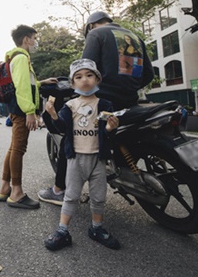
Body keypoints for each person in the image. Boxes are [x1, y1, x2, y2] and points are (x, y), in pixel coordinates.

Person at [39, 11, 154, 206]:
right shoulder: (135, 37)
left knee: (72, 135)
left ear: (91, 26)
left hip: (103, 100)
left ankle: (59, 190)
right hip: (131, 101)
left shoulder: (96, 34)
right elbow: (149, 74)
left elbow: (86, 69)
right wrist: (128, 88)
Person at [43, 58, 120, 251]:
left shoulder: (105, 105)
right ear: (73, 83)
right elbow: (60, 127)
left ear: (97, 79)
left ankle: (97, 228)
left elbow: (105, 134)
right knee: (70, 196)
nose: (84, 79)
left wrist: (110, 128)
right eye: (79, 76)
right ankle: (62, 231)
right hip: (75, 159)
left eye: (89, 75)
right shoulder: (70, 106)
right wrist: (52, 114)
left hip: (97, 159)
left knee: (98, 196)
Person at [0, 25, 57, 209]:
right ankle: (16, 193)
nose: (35, 41)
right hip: (22, 110)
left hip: (16, 108)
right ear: (26, 40)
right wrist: (30, 112)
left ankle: (5, 187)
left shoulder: (15, 57)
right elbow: (22, 86)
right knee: (19, 149)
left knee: (14, 147)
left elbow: (25, 83)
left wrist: (41, 82)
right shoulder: (22, 58)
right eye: (34, 38)